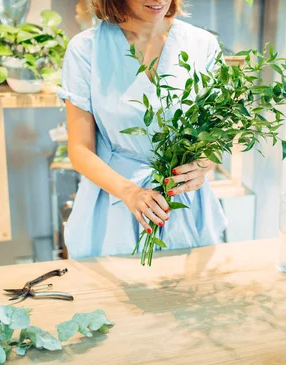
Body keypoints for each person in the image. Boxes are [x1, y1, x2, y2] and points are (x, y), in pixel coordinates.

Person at [58, 0, 228, 259]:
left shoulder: (202, 45)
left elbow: (214, 133)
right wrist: (131, 193)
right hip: (112, 208)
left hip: (185, 206)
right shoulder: (85, 49)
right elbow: (80, 149)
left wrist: (204, 164)